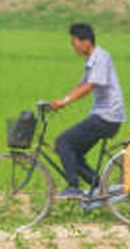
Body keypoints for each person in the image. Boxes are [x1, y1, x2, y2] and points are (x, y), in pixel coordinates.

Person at [50, 23, 125, 199]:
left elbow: (89, 87)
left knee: (62, 142)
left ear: (86, 42)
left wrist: (65, 101)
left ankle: (73, 187)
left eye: (74, 42)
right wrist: (57, 102)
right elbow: (81, 85)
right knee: (73, 153)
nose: (73, 46)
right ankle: (100, 188)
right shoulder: (91, 60)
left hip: (108, 116)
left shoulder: (101, 58)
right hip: (102, 115)